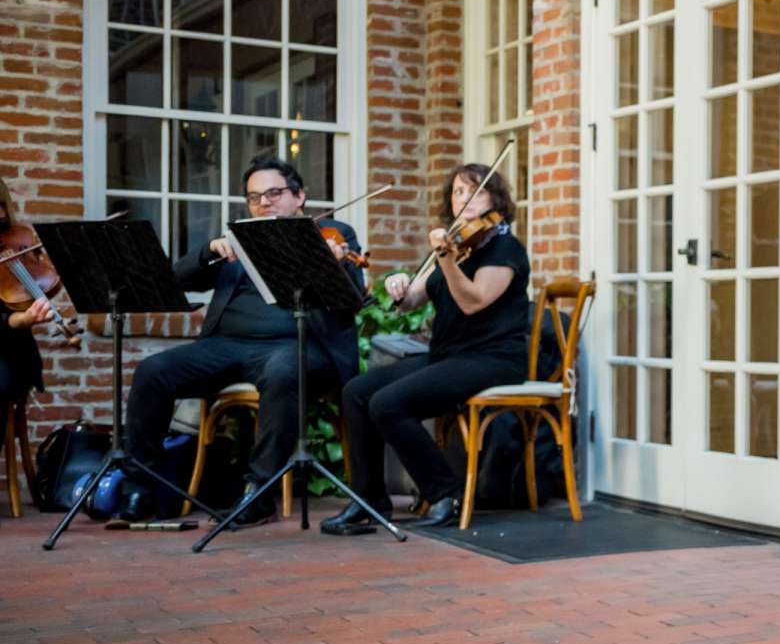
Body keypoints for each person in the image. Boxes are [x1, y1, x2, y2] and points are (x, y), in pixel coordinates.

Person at [123, 156, 363, 526]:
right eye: (254, 197)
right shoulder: (240, 238)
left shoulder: (333, 232)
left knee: (285, 368)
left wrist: (337, 264)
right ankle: (143, 488)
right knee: (153, 371)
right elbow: (177, 279)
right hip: (226, 345)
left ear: (299, 196)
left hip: (300, 345)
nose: (264, 202)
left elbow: (353, 297)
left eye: (274, 193)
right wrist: (209, 251)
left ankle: (259, 493)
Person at [323, 163, 529, 534]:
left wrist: (447, 259)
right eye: (457, 192)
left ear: (495, 200)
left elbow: (473, 301)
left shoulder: (504, 247)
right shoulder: (457, 245)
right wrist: (400, 286)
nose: (464, 199)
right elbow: (415, 298)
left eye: (475, 191)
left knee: (388, 403)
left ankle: (444, 493)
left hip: (494, 359)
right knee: (356, 391)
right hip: (450, 356)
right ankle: (368, 500)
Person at [0, 177, 53, 419]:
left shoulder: (18, 238)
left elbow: (8, 320)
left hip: (9, 351)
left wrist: (23, 318)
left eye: (1, 207)